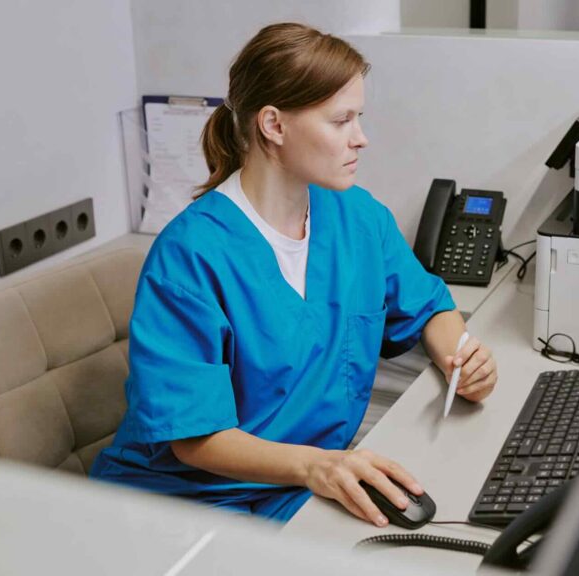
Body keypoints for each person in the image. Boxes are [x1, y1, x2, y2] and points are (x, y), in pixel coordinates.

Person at [91, 23, 497, 526]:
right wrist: (317, 467)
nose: (361, 138)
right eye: (341, 120)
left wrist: (462, 358)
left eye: (359, 118)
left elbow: (429, 305)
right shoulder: (190, 256)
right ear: (273, 125)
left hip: (302, 485)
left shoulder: (358, 218)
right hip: (189, 503)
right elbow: (195, 439)